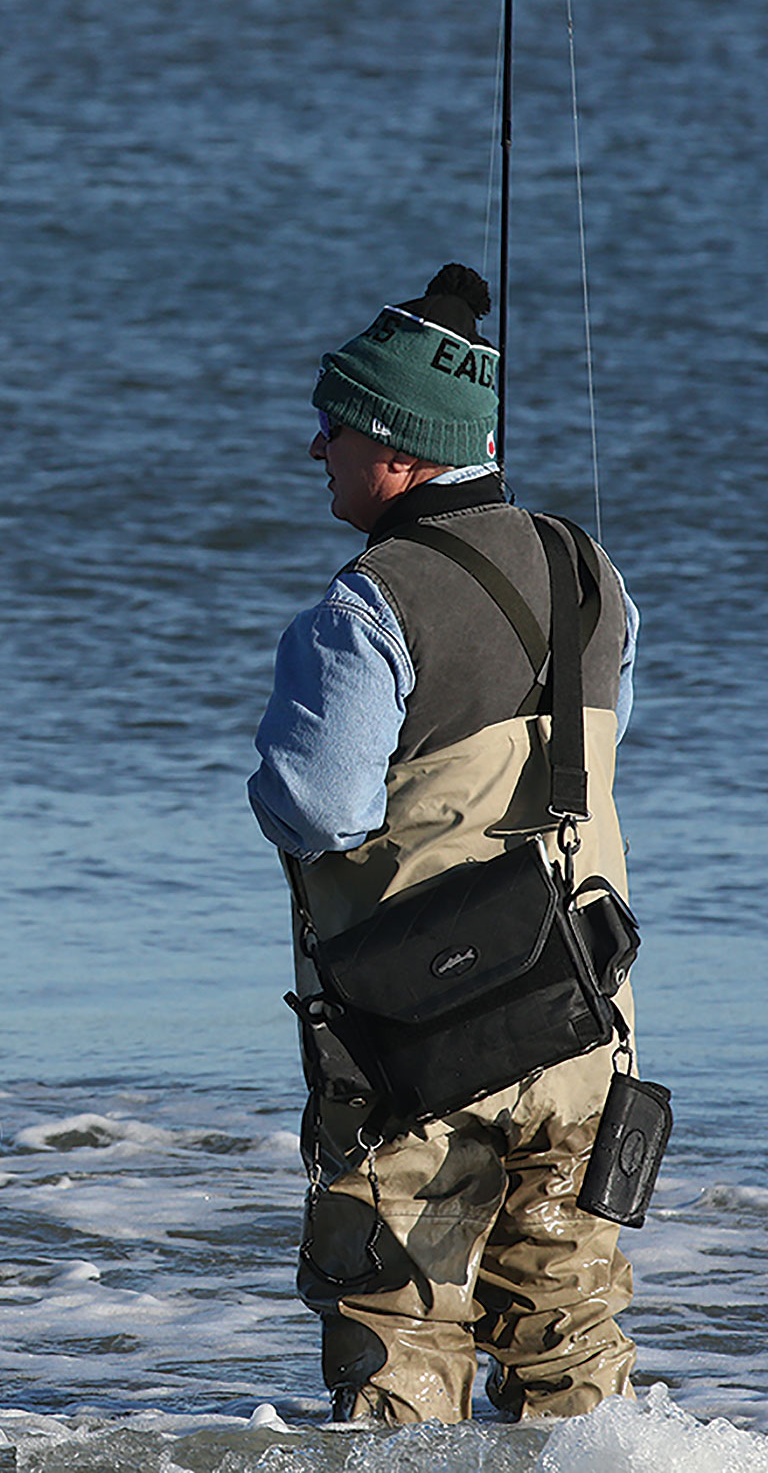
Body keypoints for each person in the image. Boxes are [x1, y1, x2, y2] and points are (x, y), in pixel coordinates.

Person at [248, 264, 642, 1423]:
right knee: (570, 1331)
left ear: (396, 450)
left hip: (422, 1033)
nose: (312, 447)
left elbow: (314, 809)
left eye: (331, 426)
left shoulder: (366, 601)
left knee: (397, 1335)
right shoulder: (590, 571)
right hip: (584, 1011)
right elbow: (610, 735)